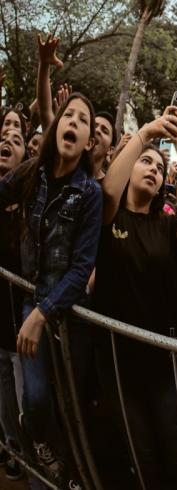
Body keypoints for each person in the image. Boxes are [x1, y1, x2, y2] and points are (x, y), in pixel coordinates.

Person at [94, 106, 177, 488]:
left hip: (164, 363)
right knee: (140, 454)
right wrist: (147, 134)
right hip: (117, 362)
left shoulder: (166, 226)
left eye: (159, 168)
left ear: (163, 184)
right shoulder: (110, 216)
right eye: (145, 162)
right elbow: (109, 188)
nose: (152, 170)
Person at [0, 92, 102, 488]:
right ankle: (38, 441)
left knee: (72, 403)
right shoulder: (31, 173)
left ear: (89, 141)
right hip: (34, 300)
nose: (74, 122)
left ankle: (72, 476)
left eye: (83, 120)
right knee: (37, 399)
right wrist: (36, 311)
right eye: (69, 115)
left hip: (71, 313)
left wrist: (42, 314)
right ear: (57, 125)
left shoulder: (90, 192)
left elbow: (82, 268)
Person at [0, 126, 27, 481]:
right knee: (4, 397)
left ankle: (31, 452)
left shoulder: (31, 211)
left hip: (21, 327)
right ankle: (11, 448)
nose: (7, 142)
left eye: (17, 140)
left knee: (26, 401)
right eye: (3, 137)